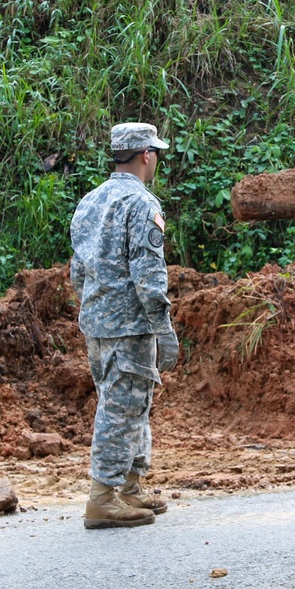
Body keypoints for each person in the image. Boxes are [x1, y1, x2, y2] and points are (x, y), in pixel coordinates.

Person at [70, 122, 178, 529]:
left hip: (97, 322)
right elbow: (149, 275)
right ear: (146, 155)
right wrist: (163, 328)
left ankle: (130, 487)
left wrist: (96, 306)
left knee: (132, 405)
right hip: (130, 325)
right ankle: (102, 498)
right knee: (121, 409)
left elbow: (77, 270)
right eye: (156, 154)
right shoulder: (140, 203)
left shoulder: (90, 201)